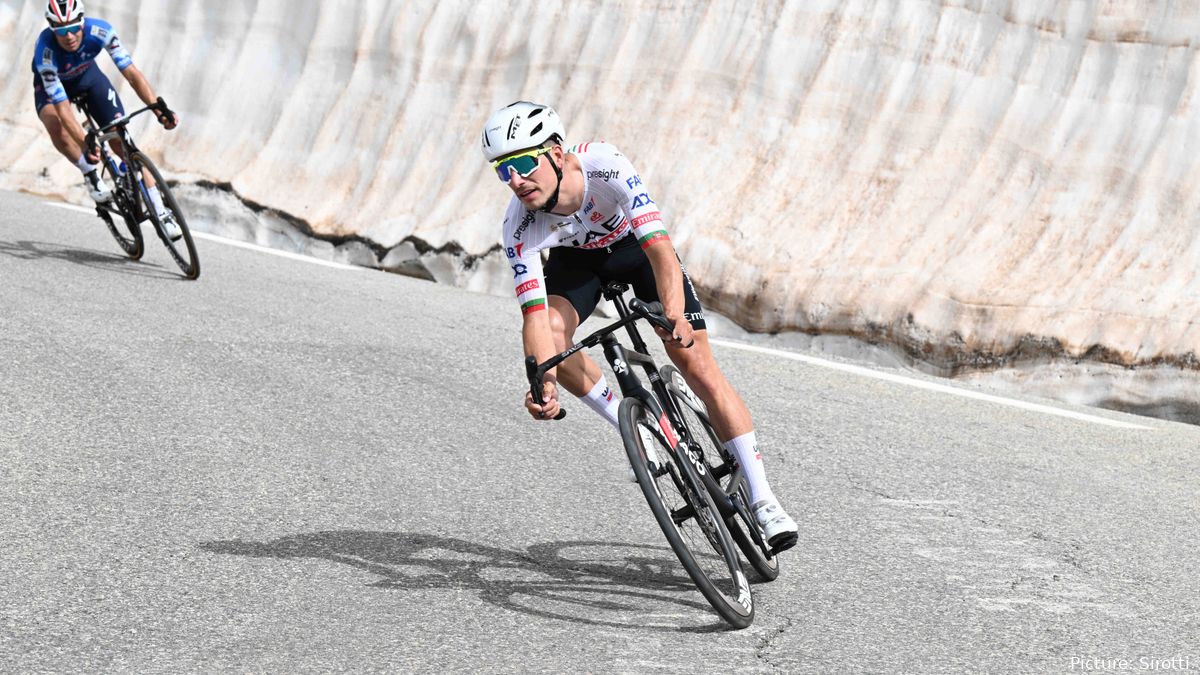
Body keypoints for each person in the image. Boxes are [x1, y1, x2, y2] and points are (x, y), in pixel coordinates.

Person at [481, 101, 799, 552]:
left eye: (521, 163)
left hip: (637, 250)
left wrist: (673, 315)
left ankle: (764, 499)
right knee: (553, 337)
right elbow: (533, 319)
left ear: (554, 152)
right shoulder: (520, 226)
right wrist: (543, 384)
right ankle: (634, 429)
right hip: (578, 267)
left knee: (695, 362)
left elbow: (660, 249)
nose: (514, 181)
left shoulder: (603, 164)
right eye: (501, 171)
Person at [32, 0, 182, 240]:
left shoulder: (100, 31)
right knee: (55, 126)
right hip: (52, 89)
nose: (69, 35)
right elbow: (63, 109)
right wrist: (85, 145)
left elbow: (132, 74)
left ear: (83, 22)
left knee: (121, 140)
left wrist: (157, 109)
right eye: (61, 30)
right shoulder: (46, 54)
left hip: (88, 79)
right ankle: (90, 173)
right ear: (52, 28)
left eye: (73, 27)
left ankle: (162, 213)